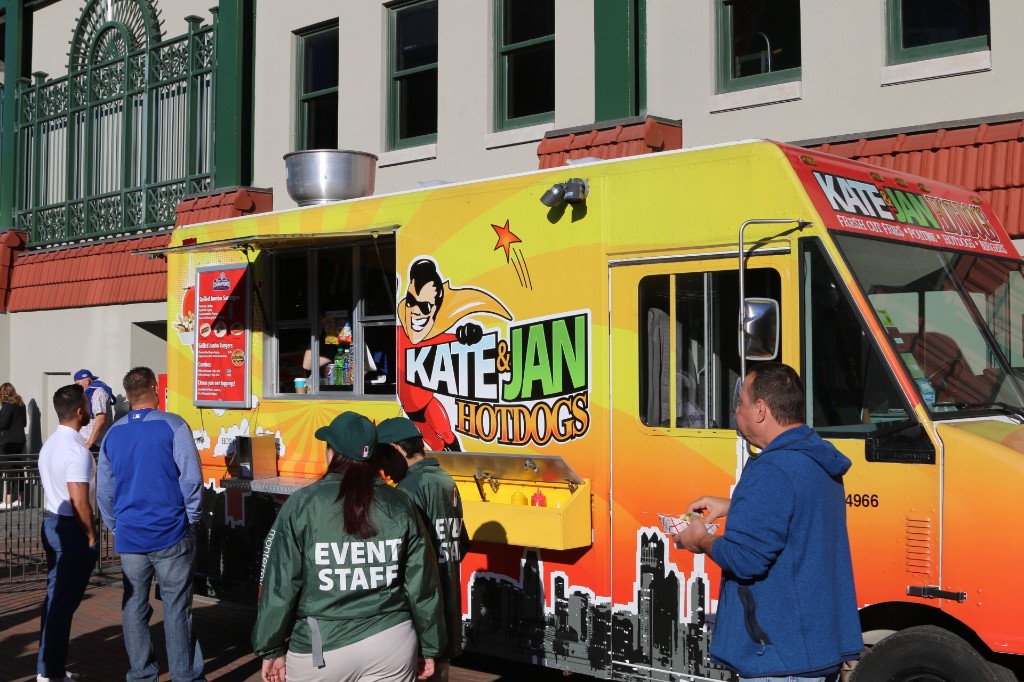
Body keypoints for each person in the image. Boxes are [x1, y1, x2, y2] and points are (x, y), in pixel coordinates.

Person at [673, 362, 862, 682]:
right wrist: (736, 506)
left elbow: (745, 560)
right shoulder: (815, 456)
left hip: (780, 659)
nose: (736, 410)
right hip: (814, 652)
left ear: (760, 410)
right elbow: (799, 512)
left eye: (740, 402)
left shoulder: (773, 469)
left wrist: (699, 537)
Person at [252, 411, 445, 682]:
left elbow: (280, 585)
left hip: (322, 647)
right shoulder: (401, 503)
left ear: (332, 452)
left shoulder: (302, 504)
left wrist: (270, 646)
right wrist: (430, 645)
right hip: (392, 642)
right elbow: (423, 585)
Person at [96, 366, 206, 682]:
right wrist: (193, 517)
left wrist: (114, 524)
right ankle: (184, 676)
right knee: (176, 608)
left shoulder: (112, 434)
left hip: (131, 536)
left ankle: (142, 675)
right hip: (172, 531)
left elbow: (104, 487)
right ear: (156, 388)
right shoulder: (174, 425)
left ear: (127, 395)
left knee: (134, 607)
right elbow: (191, 478)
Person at [377, 417, 470, 682]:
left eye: (382, 458)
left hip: (419, 621)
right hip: (446, 612)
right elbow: (461, 543)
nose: (382, 469)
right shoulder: (445, 480)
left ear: (396, 450)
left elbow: (398, 559)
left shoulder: (408, 489)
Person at [36, 384, 99, 682]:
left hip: (52, 523)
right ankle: (50, 673)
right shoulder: (76, 450)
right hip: (70, 530)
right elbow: (79, 501)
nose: (89, 410)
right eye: (87, 405)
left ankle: (50, 669)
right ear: (78, 411)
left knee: (55, 602)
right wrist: (90, 536)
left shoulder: (50, 444)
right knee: (61, 605)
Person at [0, 381, 28, 509]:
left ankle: (8, 501)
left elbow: (3, 424)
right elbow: (24, 423)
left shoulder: (7, 405)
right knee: (19, 469)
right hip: (20, 440)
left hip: (7, 442)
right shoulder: (21, 405)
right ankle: (21, 500)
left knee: (8, 471)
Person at [73, 369, 113, 453]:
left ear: (87, 381)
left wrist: (89, 443)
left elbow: (101, 419)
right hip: (86, 442)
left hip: (95, 444)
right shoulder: (87, 393)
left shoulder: (98, 392)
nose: (76, 387)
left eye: (78, 384)